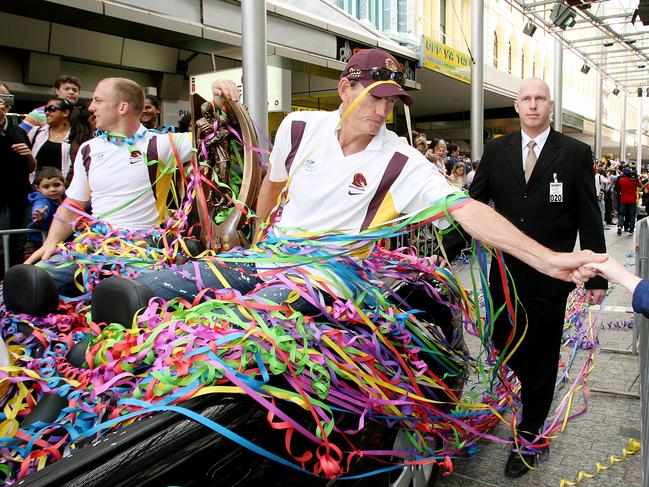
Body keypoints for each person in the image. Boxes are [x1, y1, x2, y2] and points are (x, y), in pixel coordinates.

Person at [469, 77, 607, 478]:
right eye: (526, 99)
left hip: (552, 278)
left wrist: (596, 275)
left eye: (539, 99)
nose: (532, 105)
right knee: (505, 342)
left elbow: (588, 214)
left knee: (543, 357)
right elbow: (473, 203)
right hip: (506, 275)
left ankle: (528, 438)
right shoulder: (496, 151)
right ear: (516, 106)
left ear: (551, 106)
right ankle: (527, 393)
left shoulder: (575, 153)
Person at [14, 77, 194, 296]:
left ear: (122, 107)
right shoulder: (88, 149)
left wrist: (221, 94)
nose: (91, 107)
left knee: (129, 298)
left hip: (142, 251)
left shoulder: (161, 143)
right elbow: (73, 204)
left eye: (98, 100)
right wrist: (50, 242)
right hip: (92, 248)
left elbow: (216, 133)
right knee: (27, 287)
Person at [0, 83, 36, 275]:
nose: (2, 102)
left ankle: (13, 285)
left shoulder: (18, 131)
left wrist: (29, 155)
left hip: (21, 197)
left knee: (18, 244)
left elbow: (31, 167)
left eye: (5, 97)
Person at [28, 98, 74, 181]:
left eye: (51, 109)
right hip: (36, 187)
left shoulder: (76, 135)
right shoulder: (36, 132)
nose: (47, 113)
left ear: (65, 112)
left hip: (63, 188)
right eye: (45, 109)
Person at [24, 167, 65, 258]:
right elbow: (41, 207)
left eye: (57, 185)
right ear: (37, 188)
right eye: (46, 187)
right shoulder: (42, 200)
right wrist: (39, 215)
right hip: (42, 242)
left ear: (64, 183)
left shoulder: (69, 197)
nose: (52, 189)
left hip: (63, 241)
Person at [616, 167, 641, 235]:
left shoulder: (621, 180)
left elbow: (618, 186)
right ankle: (631, 230)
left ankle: (620, 226)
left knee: (621, 214)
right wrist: (636, 179)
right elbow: (640, 186)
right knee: (632, 215)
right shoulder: (634, 181)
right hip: (632, 200)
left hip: (623, 200)